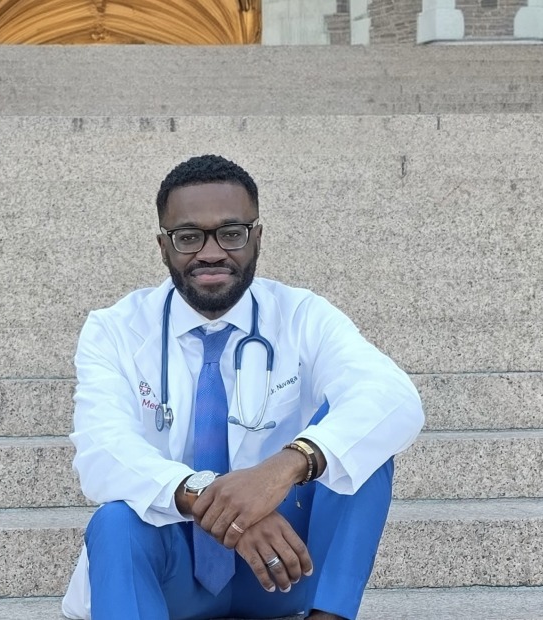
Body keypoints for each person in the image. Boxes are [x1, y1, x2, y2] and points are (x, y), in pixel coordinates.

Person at [61, 154, 424, 620]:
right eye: (188, 237)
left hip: (285, 568)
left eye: (231, 233)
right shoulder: (115, 329)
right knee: (115, 522)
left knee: (359, 446)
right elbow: (102, 454)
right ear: (163, 247)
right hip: (178, 572)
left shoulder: (301, 314)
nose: (211, 253)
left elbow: (394, 398)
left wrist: (284, 468)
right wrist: (226, 506)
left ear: (257, 238)